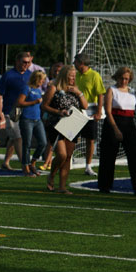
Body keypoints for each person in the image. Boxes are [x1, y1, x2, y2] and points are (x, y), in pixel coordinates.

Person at [98, 67, 136, 196]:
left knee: (134, 157)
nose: (124, 81)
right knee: (108, 157)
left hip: (129, 124)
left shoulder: (132, 92)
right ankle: (105, 186)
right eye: (122, 78)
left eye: (126, 79)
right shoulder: (111, 90)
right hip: (113, 124)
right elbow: (108, 112)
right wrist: (116, 129)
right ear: (117, 77)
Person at [41, 65, 88, 194]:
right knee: (61, 154)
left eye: (74, 76)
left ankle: (62, 186)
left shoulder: (75, 89)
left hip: (72, 124)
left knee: (68, 156)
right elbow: (44, 106)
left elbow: (85, 105)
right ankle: (51, 175)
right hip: (56, 124)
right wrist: (58, 111)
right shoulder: (54, 87)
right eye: (71, 76)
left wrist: (78, 93)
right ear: (64, 76)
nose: (73, 78)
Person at [0, 52, 33, 171]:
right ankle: (25, 164)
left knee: (13, 138)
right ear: (17, 61)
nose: (26, 64)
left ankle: (6, 162)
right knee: (18, 137)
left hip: (25, 111)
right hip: (10, 111)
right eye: (24, 62)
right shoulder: (8, 75)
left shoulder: (30, 75)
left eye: (28, 62)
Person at [74, 52, 106, 176]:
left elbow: (100, 94)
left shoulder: (94, 75)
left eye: (75, 62)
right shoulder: (75, 75)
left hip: (90, 112)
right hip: (76, 110)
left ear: (81, 63)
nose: (74, 64)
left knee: (90, 140)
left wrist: (98, 111)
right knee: (70, 137)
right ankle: (67, 161)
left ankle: (88, 166)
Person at [16, 71, 47, 177]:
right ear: (37, 79)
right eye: (42, 80)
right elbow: (19, 102)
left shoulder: (38, 90)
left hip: (37, 120)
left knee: (43, 142)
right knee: (27, 144)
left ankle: (32, 162)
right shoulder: (27, 88)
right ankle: (25, 166)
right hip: (27, 119)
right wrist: (34, 102)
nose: (43, 82)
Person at [39, 62, 65, 172]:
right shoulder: (48, 83)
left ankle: (49, 162)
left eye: (59, 71)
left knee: (57, 141)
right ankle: (47, 161)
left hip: (62, 115)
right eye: (55, 70)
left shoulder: (64, 84)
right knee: (49, 139)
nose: (56, 73)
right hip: (50, 114)